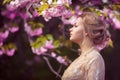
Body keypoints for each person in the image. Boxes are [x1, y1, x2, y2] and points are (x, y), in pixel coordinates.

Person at [61, 12, 110, 80]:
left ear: (87, 30)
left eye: (76, 26)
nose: (70, 29)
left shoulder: (94, 57)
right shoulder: (81, 58)